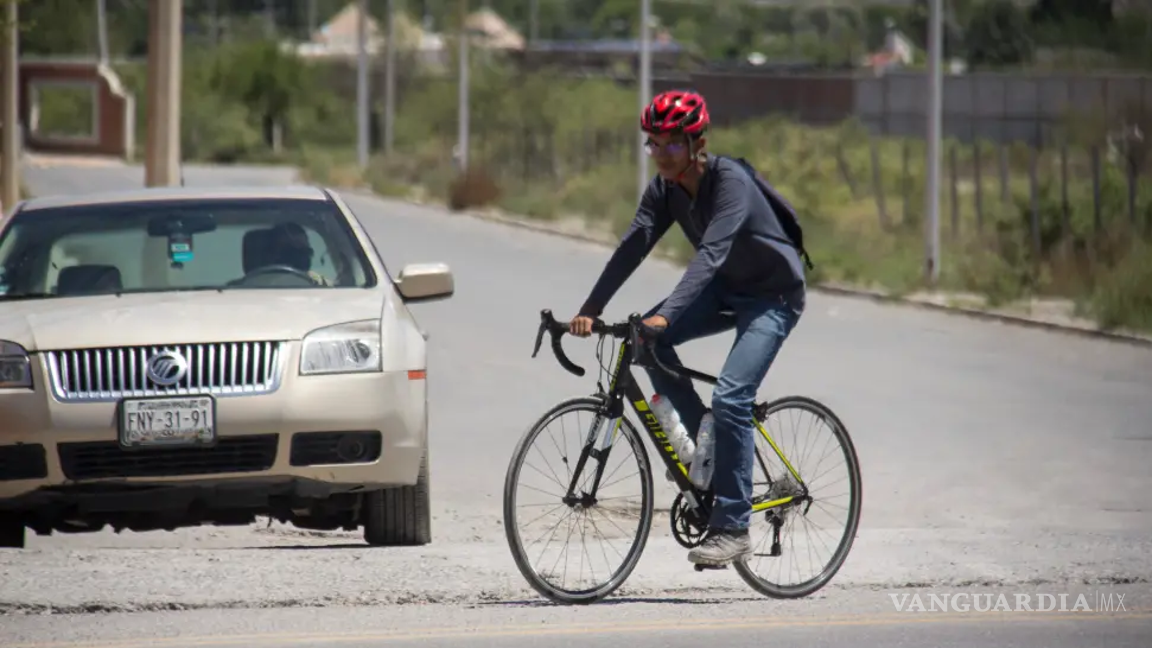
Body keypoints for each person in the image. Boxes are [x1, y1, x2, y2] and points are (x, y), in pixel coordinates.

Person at [567, 89, 807, 567]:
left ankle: (734, 526)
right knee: (642, 343)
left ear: (697, 143)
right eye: (652, 144)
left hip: (771, 296)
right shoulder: (664, 190)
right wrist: (591, 308)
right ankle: (709, 448)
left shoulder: (730, 182)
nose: (660, 154)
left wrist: (667, 314)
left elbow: (710, 254)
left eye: (671, 144)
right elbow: (634, 245)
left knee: (732, 397)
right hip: (723, 289)